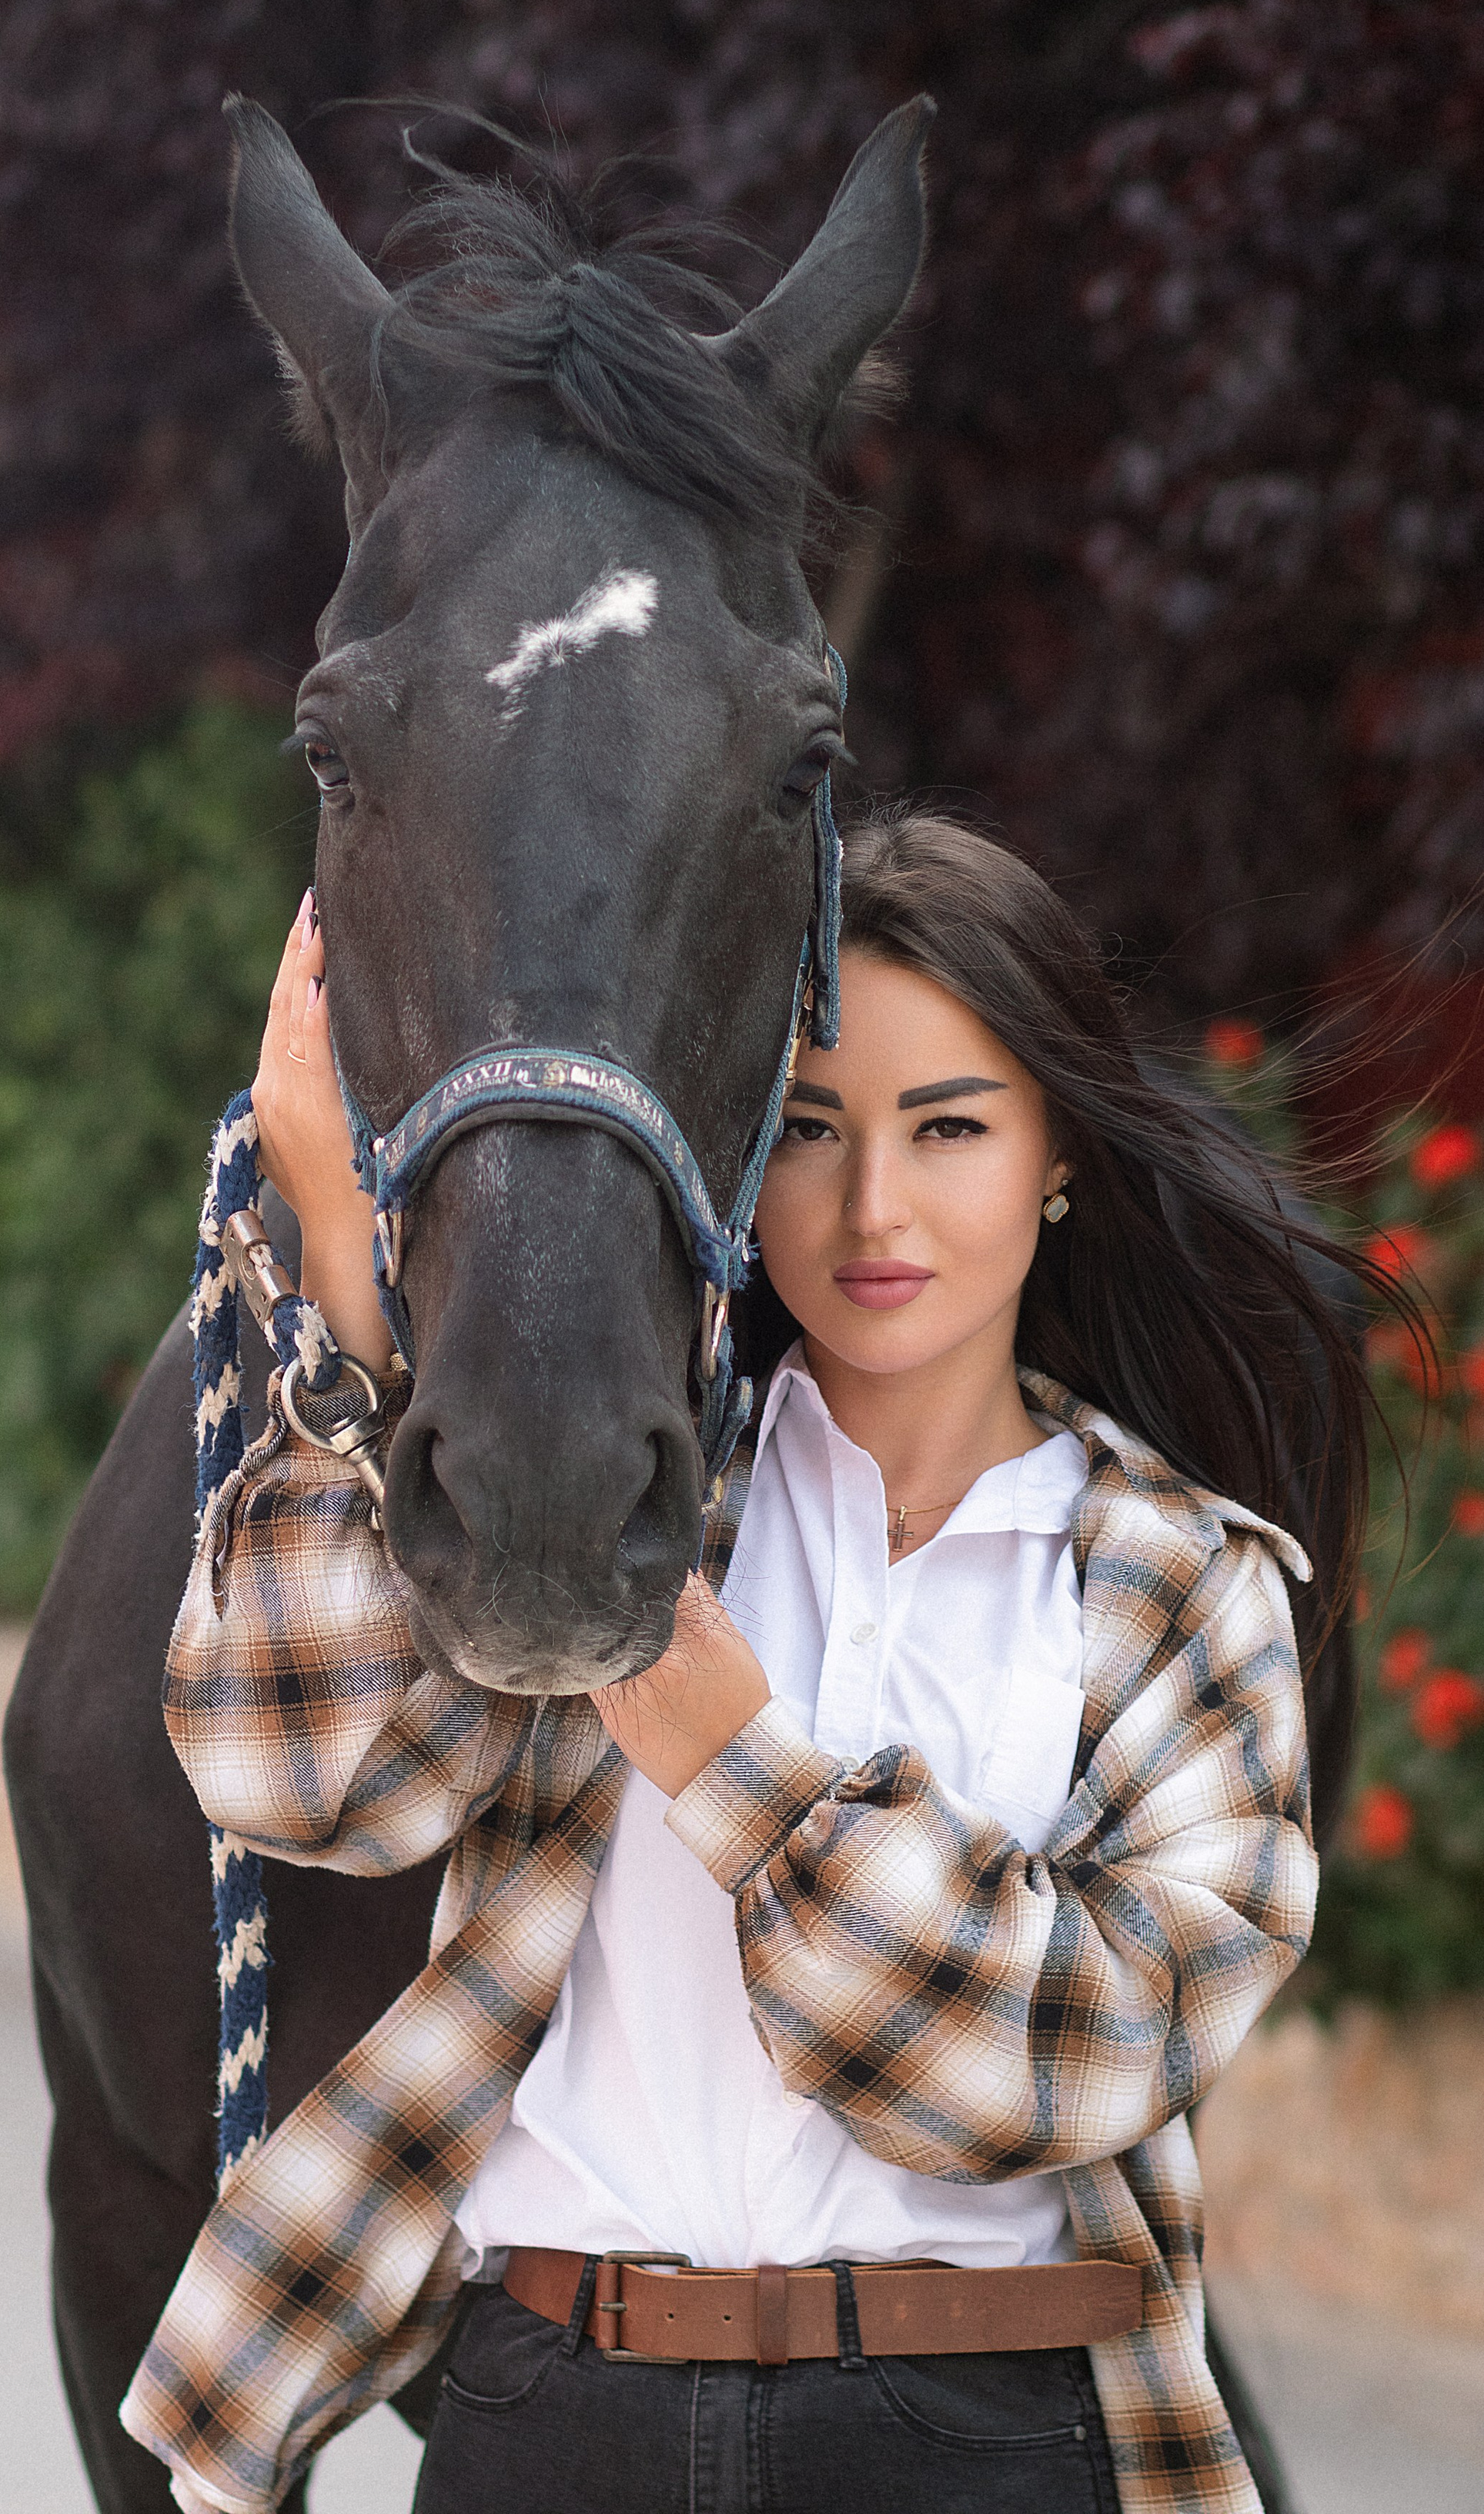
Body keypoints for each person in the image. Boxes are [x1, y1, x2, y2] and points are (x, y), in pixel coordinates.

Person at [125, 807, 1388, 2514]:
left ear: (1055, 1156)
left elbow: (1052, 2066)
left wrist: (724, 1750)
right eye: (804, 1130)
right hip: (556, 2422)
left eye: (947, 1127)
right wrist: (342, 1282)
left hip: (984, 2449)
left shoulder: (1183, 1590)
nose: (873, 1207)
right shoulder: (620, 1507)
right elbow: (301, 1783)